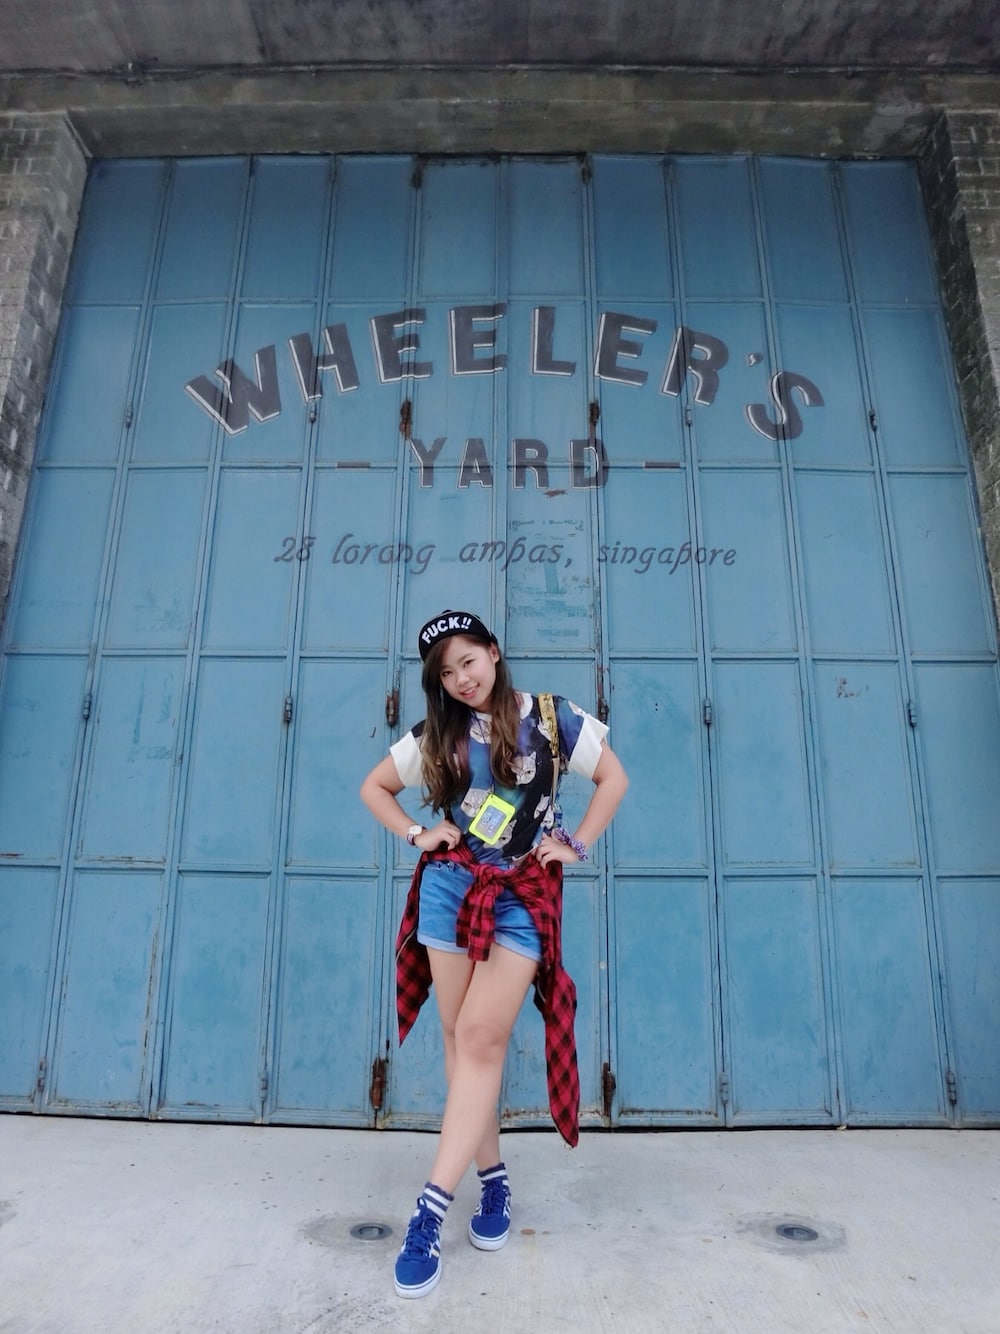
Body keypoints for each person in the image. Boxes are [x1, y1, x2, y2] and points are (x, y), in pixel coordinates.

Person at [360, 609, 628, 1299]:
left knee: (481, 1036)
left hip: (521, 896)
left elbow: (614, 779)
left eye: (468, 661)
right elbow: (374, 787)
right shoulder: (438, 733)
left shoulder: (552, 717)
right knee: (459, 1039)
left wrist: (575, 844)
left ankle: (428, 1212)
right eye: (447, 673)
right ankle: (495, 1181)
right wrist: (418, 833)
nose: (461, 679)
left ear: (494, 652)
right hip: (451, 890)